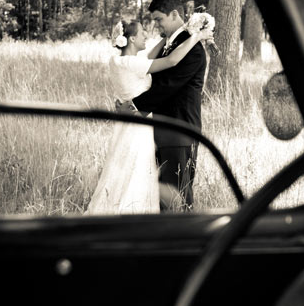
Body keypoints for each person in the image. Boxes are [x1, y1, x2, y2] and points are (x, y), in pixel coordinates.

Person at [85, 18, 213, 215]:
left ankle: (118, 207)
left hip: (127, 124)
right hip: (140, 126)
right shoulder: (132, 63)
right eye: (143, 31)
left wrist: (169, 37)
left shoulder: (119, 61)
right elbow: (171, 61)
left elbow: (148, 58)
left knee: (124, 169)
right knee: (137, 172)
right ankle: (134, 212)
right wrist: (198, 36)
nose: (147, 34)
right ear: (133, 38)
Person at [133, 0, 207, 210]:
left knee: (179, 197)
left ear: (175, 14)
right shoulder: (172, 44)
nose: (156, 26)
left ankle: (188, 239)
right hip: (164, 130)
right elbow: (149, 64)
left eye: (159, 19)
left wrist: (135, 106)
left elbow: (168, 85)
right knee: (164, 197)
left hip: (180, 131)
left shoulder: (192, 48)